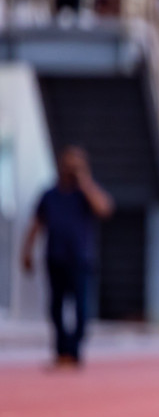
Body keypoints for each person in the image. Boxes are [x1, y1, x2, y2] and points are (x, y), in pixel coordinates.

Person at [19, 146, 114, 368]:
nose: (71, 170)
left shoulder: (86, 194)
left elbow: (105, 209)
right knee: (56, 308)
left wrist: (85, 182)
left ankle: (74, 349)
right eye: (68, 165)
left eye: (76, 166)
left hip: (81, 259)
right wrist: (27, 251)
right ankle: (61, 351)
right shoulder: (49, 195)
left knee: (81, 309)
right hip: (55, 258)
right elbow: (36, 224)